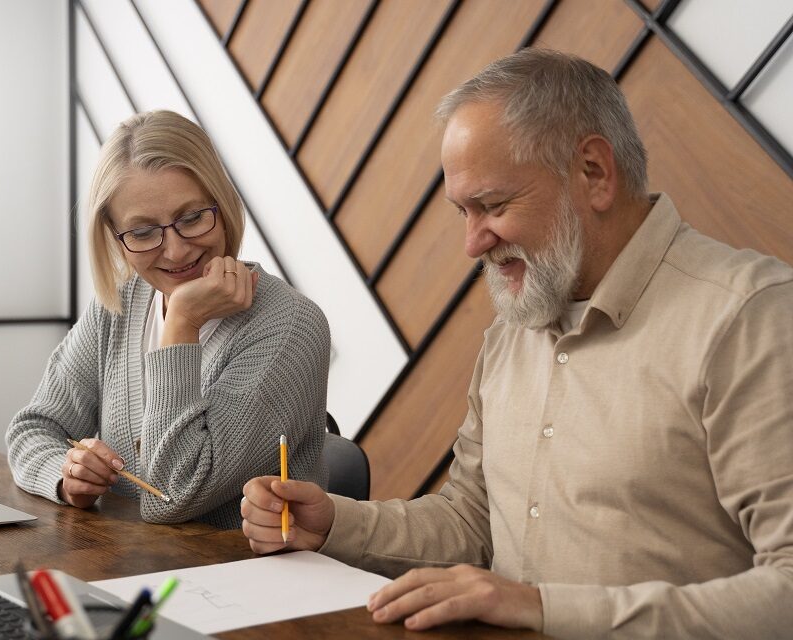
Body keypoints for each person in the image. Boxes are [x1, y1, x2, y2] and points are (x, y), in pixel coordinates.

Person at [240, 48, 793, 637]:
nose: (473, 243)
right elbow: (474, 522)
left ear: (594, 173)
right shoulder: (512, 332)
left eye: (494, 205)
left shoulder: (750, 318)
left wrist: (542, 608)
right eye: (463, 212)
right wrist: (332, 525)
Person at [7, 110, 329, 529]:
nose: (175, 251)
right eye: (142, 233)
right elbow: (34, 427)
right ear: (115, 239)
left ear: (223, 203)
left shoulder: (289, 327)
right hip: (130, 566)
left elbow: (173, 496)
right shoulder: (120, 305)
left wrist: (181, 324)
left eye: (192, 218)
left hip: (243, 577)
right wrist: (67, 476)